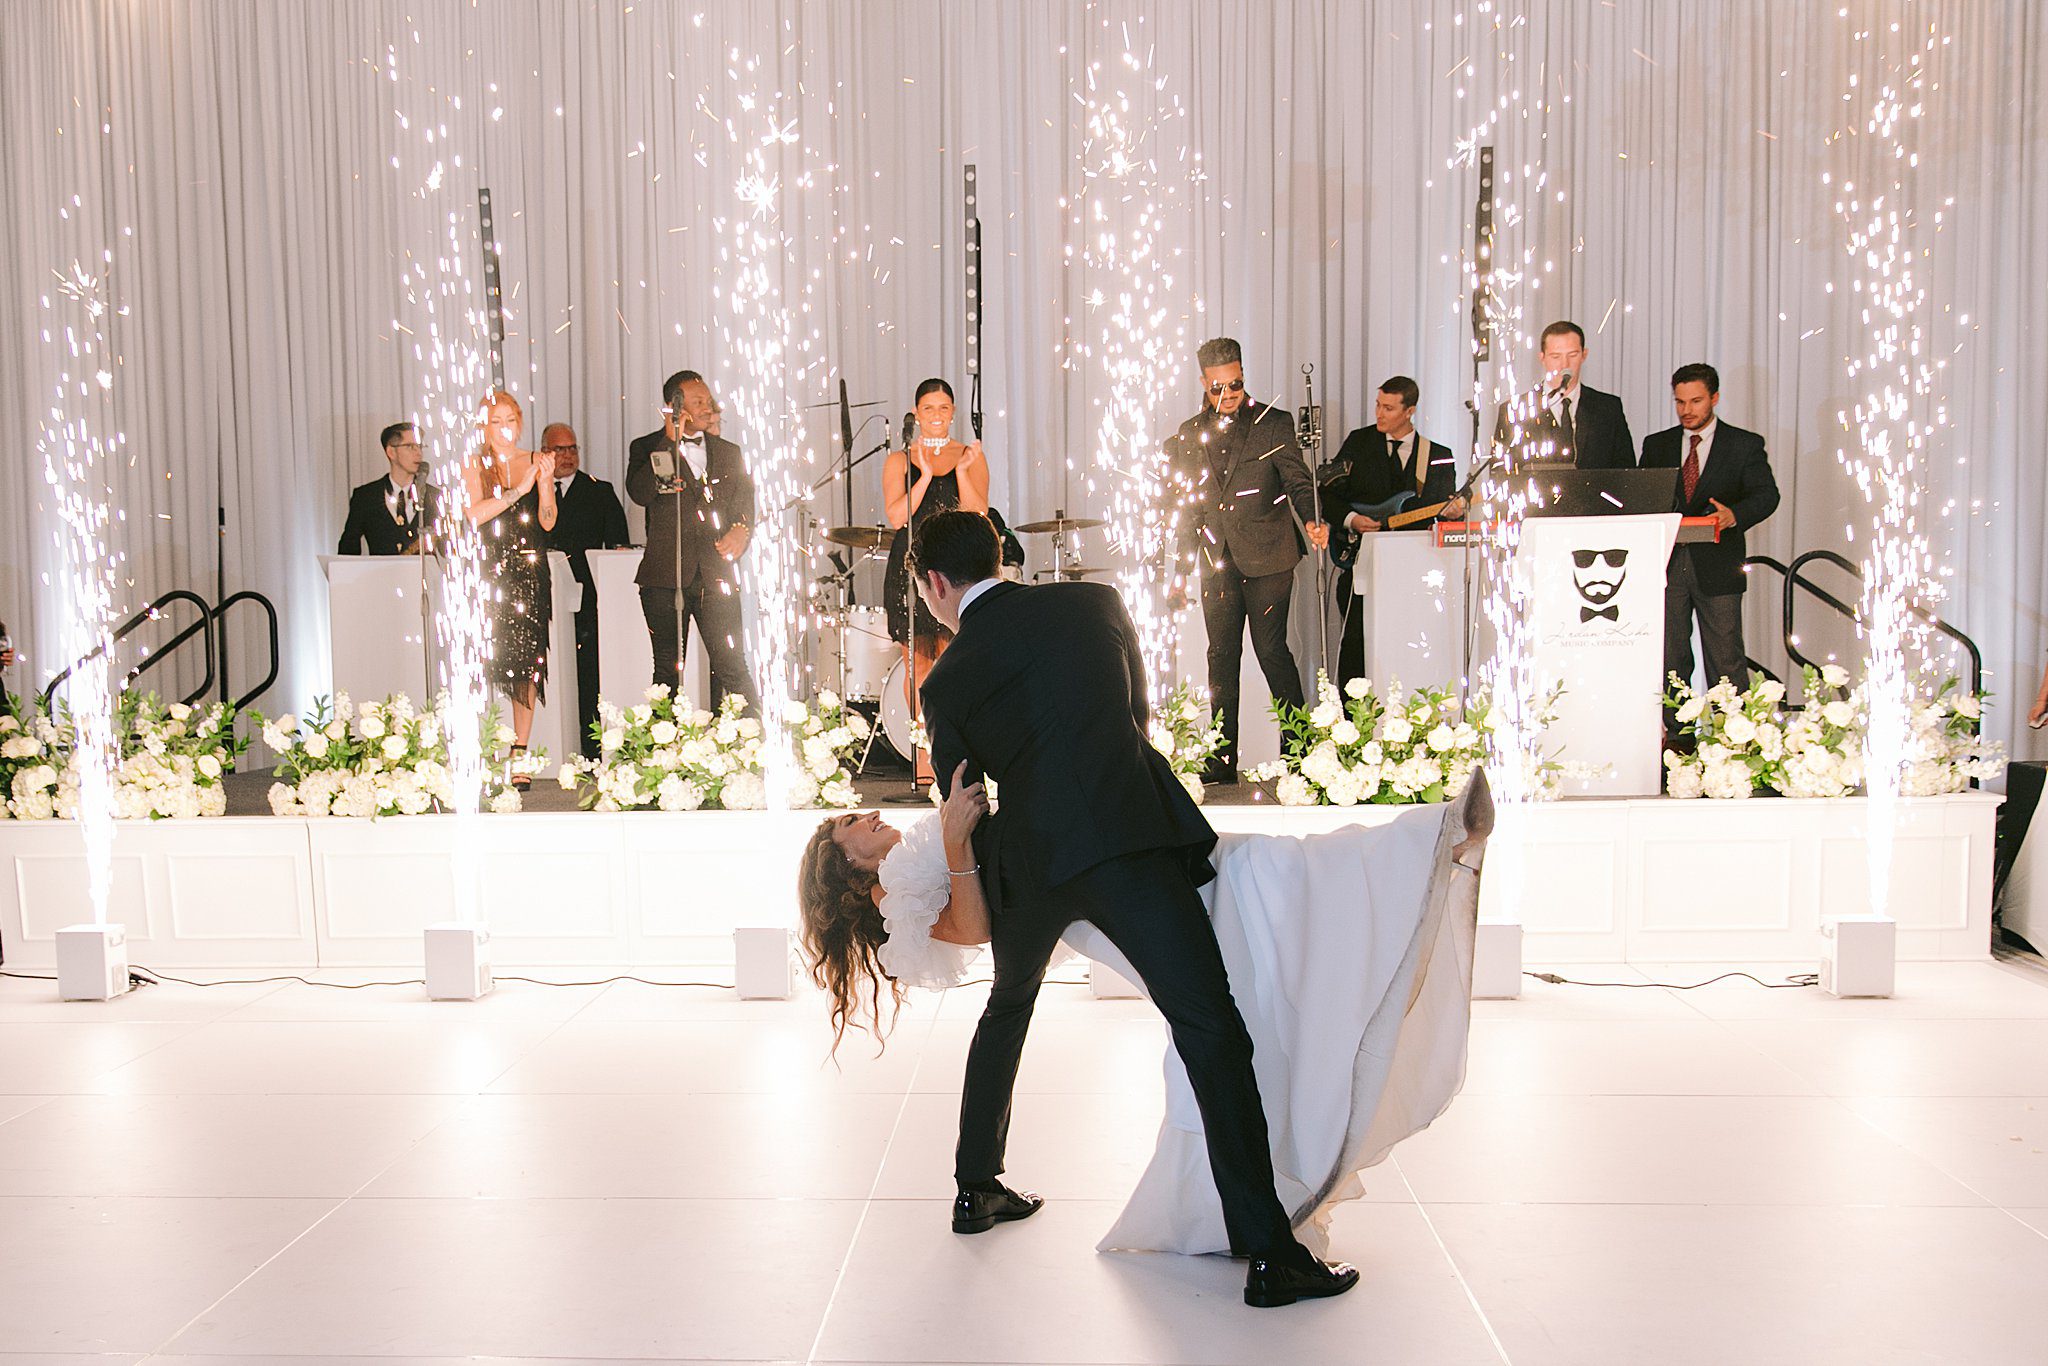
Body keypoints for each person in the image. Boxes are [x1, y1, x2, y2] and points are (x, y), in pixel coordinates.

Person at [795, 509, 1487, 1308]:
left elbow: (966, 806)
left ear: (934, 583)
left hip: (1030, 869)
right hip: (1127, 843)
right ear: (999, 556)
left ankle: (975, 1186)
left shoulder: (945, 680)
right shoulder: (1093, 605)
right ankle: (1269, 1253)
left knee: (1007, 1006)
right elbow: (1138, 719)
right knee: (1210, 1030)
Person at [1165, 337, 1327, 784]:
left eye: (1236, 383)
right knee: (1220, 656)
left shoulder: (1273, 422)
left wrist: (1313, 519)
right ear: (1203, 383)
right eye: (1219, 387)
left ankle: (1299, 754)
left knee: (1272, 650)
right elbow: (1186, 512)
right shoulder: (1187, 434)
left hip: (1270, 555)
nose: (1229, 393)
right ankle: (1220, 760)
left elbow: (1297, 479)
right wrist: (1178, 576)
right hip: (1216, 559)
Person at [626, 370, 760, 718]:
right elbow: (640, 493)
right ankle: (662, 754)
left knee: (732, 663)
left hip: (717, 574)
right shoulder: (646, 447)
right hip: (664, 576)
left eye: (708, 400)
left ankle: (756, 739)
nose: (707, 406)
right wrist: (667, 443)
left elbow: (745, 501)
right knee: (667, 671)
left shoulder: (729, 452)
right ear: (676, 406)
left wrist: (741, 530)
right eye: (698, 401)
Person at [1640, 363, 1780, 696]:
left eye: (1695, 401)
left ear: (1714, 398)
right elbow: (1642, 498)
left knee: (1725, 658)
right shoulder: (1656, 445)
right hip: (1667, 565)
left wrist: (1734, 515)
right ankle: (1677, 738)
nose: (1686, 411)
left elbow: (1767, 495)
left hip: (1718, 565)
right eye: (1679, 402)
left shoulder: (1743, 444)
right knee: (1670, 658)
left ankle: (1731, 739)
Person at [1320, 377, 1464, 691]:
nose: (1379, 414)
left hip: (1415, 574)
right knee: (1356, 643)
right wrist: (1352, 519)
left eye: (1388, 407)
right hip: (1360, 563)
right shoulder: (1358, 443)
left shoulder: (1438, 454)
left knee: (1410, 644)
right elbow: (1327, 495)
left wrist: (1455, 512)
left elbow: (1444, 518)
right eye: (1378, 405)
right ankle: (1350, 720)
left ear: (1410, 410)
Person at [882, 378, 989, 782]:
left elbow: (978, 511)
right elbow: (897, 517)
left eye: (944, 408)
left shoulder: (970, 454)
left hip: (957, 566)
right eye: (929, 408)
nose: (937, 416)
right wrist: (924, 475)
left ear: (953, 412)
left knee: (954, 661)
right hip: (912, 568)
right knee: (920, 665)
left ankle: (957, 754)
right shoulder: (899, 460)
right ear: (916, 412)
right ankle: (924, 758)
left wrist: (961, 470)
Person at [461, 390, 557, 782]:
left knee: (527, 666)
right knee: (485, 660)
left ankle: (519, 752)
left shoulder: (533, 461)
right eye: (496, 422)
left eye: (510, 421)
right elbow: (473, 516)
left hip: (528, 572)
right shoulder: (475, 464)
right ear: (484, 427)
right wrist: (517, 491)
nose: (505, 430)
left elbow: (548, 521)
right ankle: (476, 748)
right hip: (488, 572)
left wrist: (545, 483)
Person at [540, 422, 630, 760]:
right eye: (558, 449)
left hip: (589, 602)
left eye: (572, 448)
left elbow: (617, 547)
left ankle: (591, 750)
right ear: (544, 451)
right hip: (543, 597)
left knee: (589, 675)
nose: (567, 456)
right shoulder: (532, 489)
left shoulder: (599, 492)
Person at [1495, 320, 1636, 470]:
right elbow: (1501, 470)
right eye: (1556, 357)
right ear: (1542, 358)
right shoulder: (1516, 410)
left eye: (1573, 355)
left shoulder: (1607, 408)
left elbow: (1625, 471)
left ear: (1584, 355)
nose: (1564, 364)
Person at [338, 422, 435, 555]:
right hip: (379, 574)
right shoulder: (366, 497)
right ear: (391, 452)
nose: (418, 453)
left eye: (420, 447)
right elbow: (348, 549)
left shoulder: (434, 496)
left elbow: (447, 549)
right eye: (410, 446)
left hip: (423, 574)